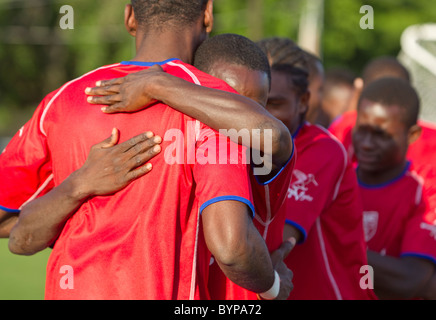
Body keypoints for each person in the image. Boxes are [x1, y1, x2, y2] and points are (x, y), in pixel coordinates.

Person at [2, 0, 287, 300]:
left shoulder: (63, 100)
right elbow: (232, 247)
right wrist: (274, 288)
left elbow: (15, 230)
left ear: (129, 17)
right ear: (208, 14)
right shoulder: (214, 106)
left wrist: (74, 194)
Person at [85, 33, 296, 300]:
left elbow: (272, 134)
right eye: (229, 100)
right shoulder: (180, 145)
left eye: (258, 106)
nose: (245, 115)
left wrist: (156, 84)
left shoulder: (266, 154)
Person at [256, 37, 377, 300]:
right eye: (254, 100)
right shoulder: (239, 143)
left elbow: (275, 243)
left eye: (274, 104)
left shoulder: (323, 149)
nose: (260, 115)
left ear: (303, 101)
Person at [353, 77, 436, 299]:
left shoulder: (426, 191)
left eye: (381, 135)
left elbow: (410, 279)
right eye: (362, 129)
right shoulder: (337, 180)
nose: (367, 143)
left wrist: (338, 248)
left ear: (412, 135)